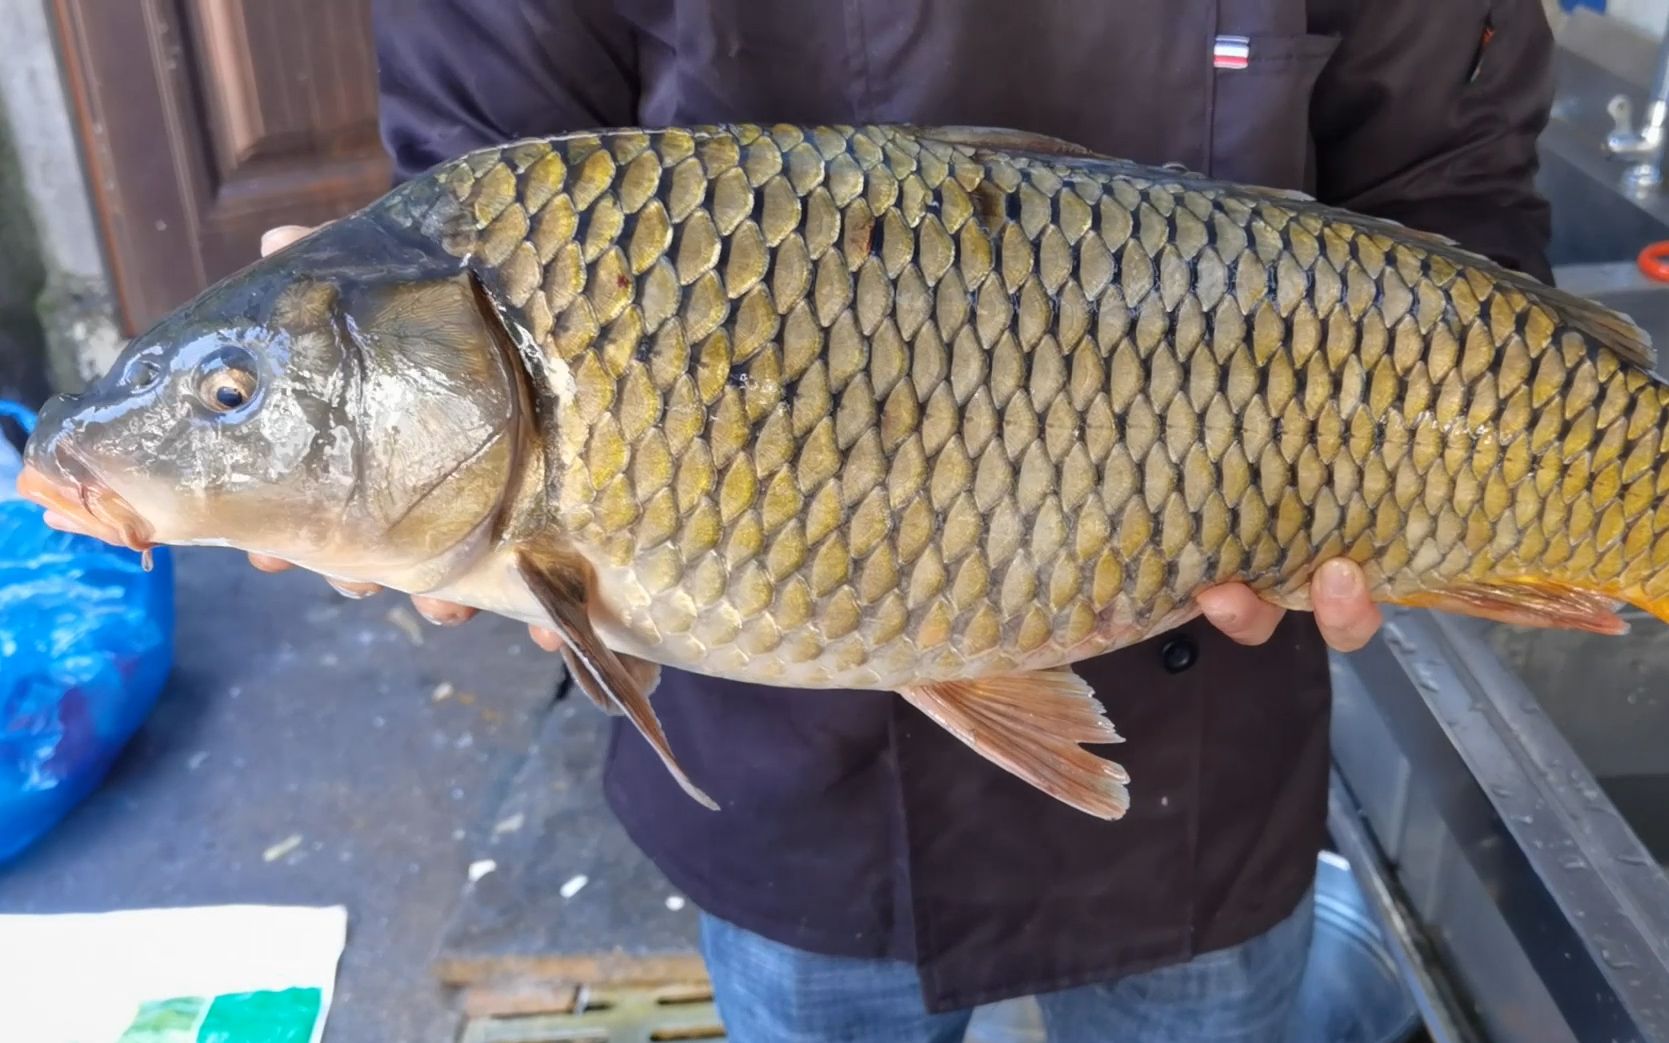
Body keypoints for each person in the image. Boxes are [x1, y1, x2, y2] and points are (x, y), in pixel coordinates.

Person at [256, 2, 1554, 1039]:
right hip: (789, 770)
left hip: (1205, 746)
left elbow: (1452, 184)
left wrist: (1430, 474)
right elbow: (482, 199)